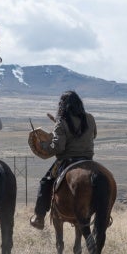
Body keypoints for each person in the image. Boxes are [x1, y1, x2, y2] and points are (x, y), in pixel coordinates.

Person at [30, 91, 97, 230]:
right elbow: (93, 135)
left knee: (45, 182)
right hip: (88, 161)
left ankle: (39, 217)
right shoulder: (90, 118)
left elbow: (58, 147)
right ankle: (106, 215)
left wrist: (43, 145)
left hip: (68, 161)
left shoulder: (62, 121)